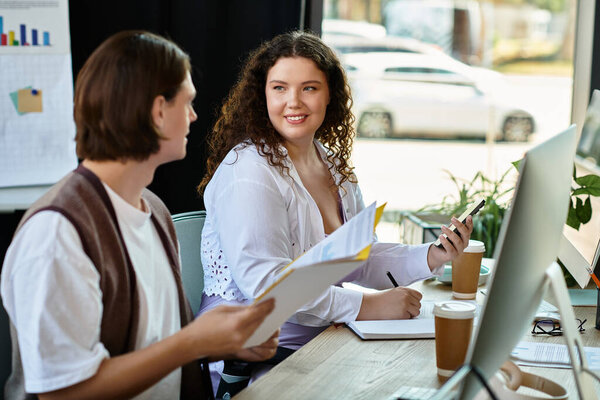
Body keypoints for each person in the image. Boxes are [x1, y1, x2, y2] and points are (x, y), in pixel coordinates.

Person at [0, 30, 280, 400]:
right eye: (187, 102)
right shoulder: (57, 233)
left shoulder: (153, 210)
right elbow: (64, 393)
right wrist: (193, 343)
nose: (194, 115)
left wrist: (224, 345)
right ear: (157, 110)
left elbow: (155, 343)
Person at [197, 31, 473, 395]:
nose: (292, 102)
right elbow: (268, 287)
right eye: (279, 88)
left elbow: (356, 256)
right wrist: (367, 305)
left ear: (330, 95)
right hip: (257, 352)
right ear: (262, 94)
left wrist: (432, 254)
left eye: (309, 88)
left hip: (325, 335)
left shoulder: (331, 163)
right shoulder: (249, 170)